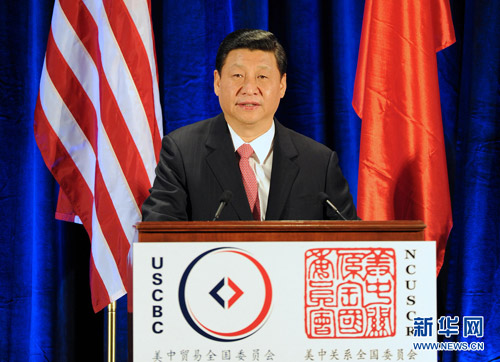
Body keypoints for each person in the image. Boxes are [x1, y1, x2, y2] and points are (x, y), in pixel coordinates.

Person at [142, 29, 358, 221]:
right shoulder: (182, 152)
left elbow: (352, 244)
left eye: (262, 76)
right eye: (237, 75)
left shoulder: (319, 162)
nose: (249, 88)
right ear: (217, 82)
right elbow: (159, 233)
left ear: (282, 85)